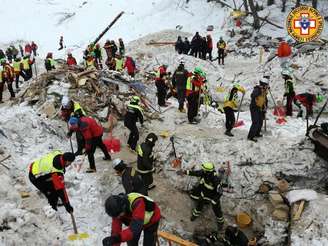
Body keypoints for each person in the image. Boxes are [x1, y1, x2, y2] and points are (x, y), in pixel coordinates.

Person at [177, 162, 224, 230]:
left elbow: (220, 192)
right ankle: (195, 215)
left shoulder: (215, 179)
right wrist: (184, 172)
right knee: (199, 205)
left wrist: (214, 200)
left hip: (213, 197)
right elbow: (195, 173)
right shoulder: (204, 172)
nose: (203, 171)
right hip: (204, 194)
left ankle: (220, 222)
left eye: (204, 170)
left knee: (217, 210)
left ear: (208, 172)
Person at [247, 78, 269, 142]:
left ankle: (256, 133)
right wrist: (259, 90)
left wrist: (264, 108)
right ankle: (250, 136)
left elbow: (265, 100)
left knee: (260, 122)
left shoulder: (264, 91)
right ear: (263, 84)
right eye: (266, 85)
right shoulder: (257, 89)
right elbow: (252, 95)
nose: (267, 86)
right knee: (255, 122)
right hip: (254, 107)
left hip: (260, 108)